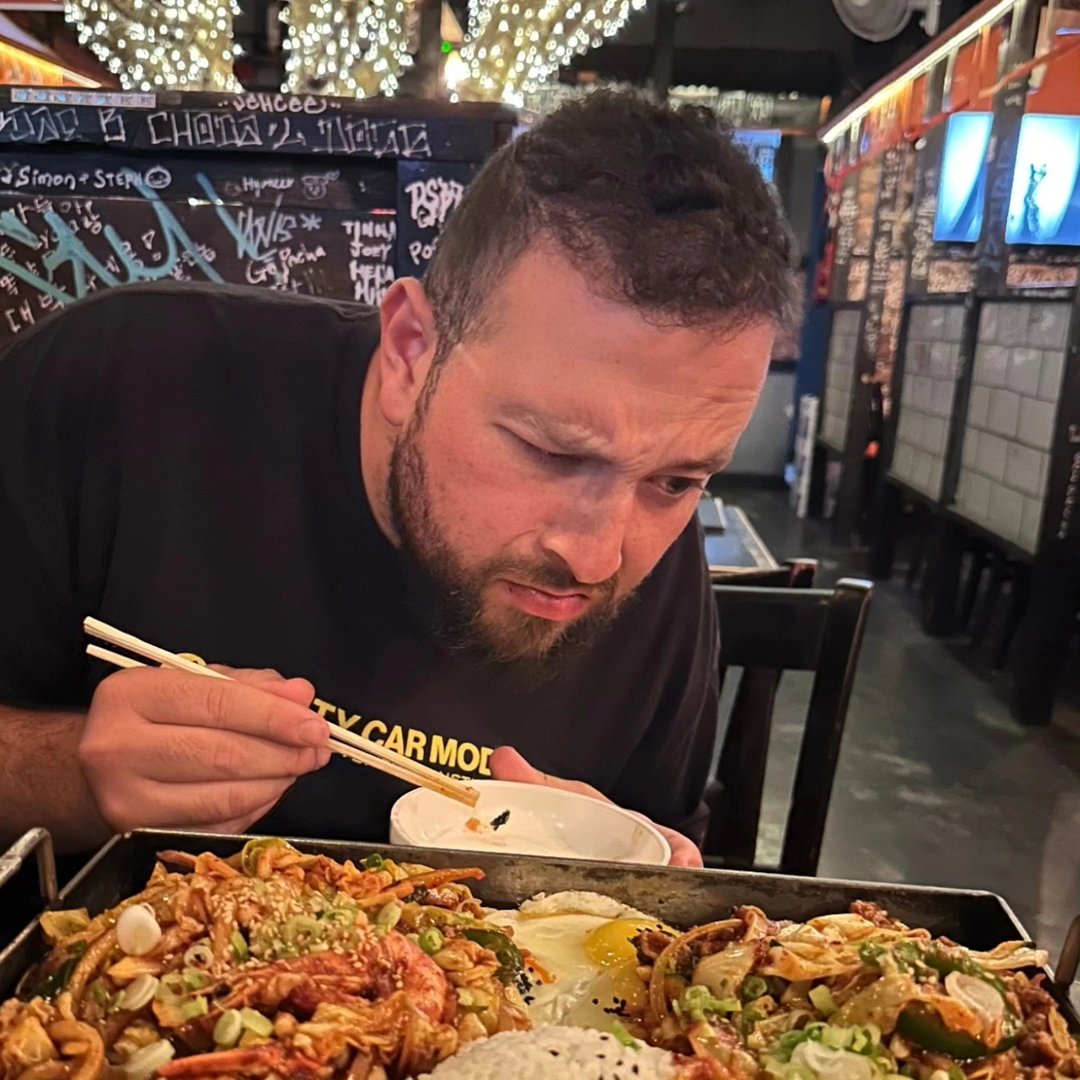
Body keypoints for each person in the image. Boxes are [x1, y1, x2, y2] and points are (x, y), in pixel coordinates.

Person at [0, 92, 795, 866]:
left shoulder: (657, 570)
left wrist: (620, 875)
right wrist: (71, 774)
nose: (596, 556)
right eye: (554, 453)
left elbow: (670, 862)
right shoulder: (122, 387)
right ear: (411, 351)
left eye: (677, 482)